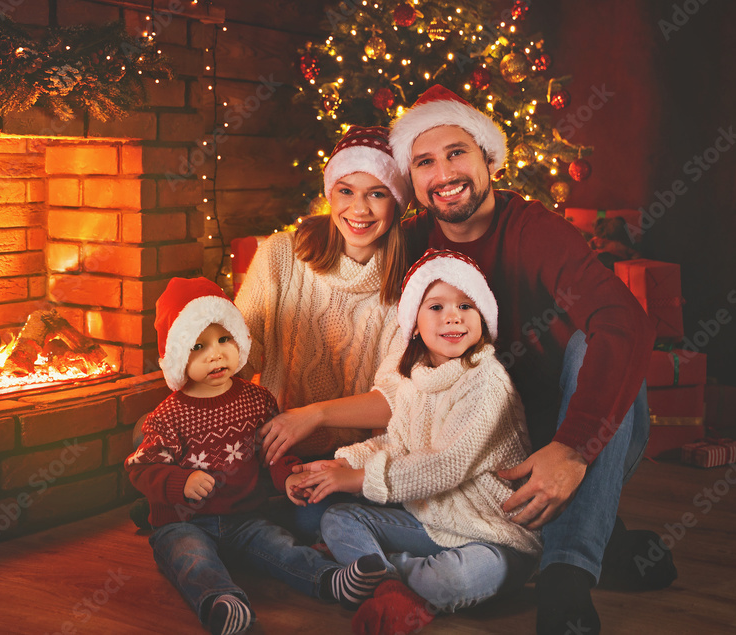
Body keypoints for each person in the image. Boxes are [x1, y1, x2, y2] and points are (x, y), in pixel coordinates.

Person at [261, 85, 673, 634]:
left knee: (591, 343)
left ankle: (565, 579)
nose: (443, 173)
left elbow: (626, 322)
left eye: (457, 152)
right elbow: (354, 237)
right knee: (310, 513)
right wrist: (313, 413)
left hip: (564, 433)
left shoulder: (535, 230)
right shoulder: (411, 241)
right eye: (425, 162)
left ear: (488, 159)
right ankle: (598, 538)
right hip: (463, 451)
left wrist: (571, 449)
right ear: (412, 180)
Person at [293, 249, 542, 635]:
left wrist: (357, 480)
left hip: (492, 533)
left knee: (446, 582)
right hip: (428, 519)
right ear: (413, 324)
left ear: (483, 318)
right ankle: (389, 585)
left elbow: (443, 465)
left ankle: (374, 571)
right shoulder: (416, 376)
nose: (453, 316)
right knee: (337, 517)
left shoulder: (487, 381)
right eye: (436, 307)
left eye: (466, 306)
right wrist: (344, 464)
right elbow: (398, 444)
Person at [126, 277, 389, 635]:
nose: (216, 353)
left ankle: (331, 581)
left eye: (224, 339)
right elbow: (142, 469)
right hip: (184, 522)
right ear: (176, 357)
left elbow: (275, 451)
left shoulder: (256, 399)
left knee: (282, 546)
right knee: (192, 559)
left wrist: (290, 476)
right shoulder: (168, 416)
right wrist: (180, 481)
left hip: (244, 516)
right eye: (198, 346)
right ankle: (223, 603)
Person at [234, 125, 411, 459]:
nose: (359, 210)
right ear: (330, 195)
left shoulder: (409, 288)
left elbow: (395, 398)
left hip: (348, 463)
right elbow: (238, 350)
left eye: (377, 193)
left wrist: (313, 415)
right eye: (346, 191)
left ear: (397, 203)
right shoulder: (281, 255)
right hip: (268, 446)